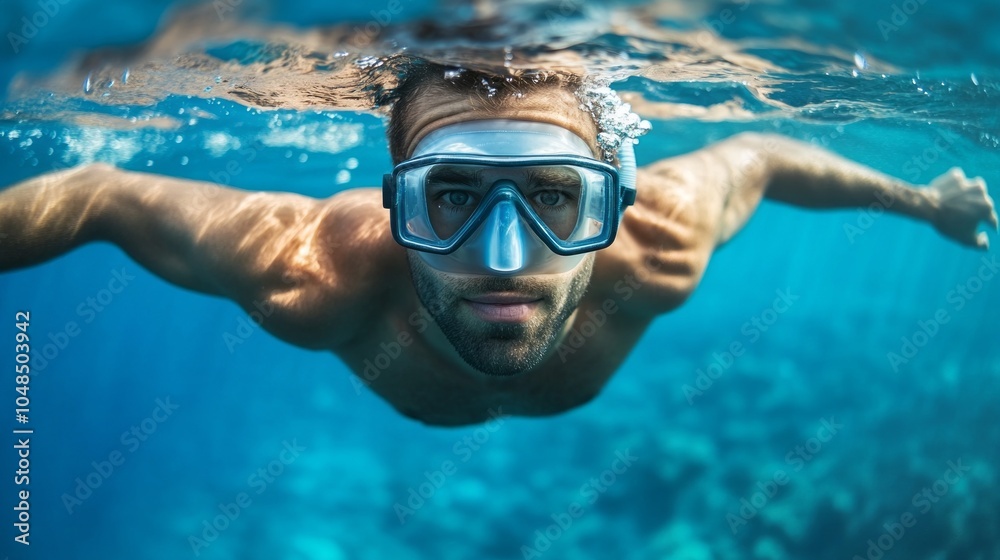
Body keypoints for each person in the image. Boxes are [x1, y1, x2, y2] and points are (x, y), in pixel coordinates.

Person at [2, 62, 996, 426]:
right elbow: (95, 189)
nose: (507, 256)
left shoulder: (660, 244)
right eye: (453, 201)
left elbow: (767, 153)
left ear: (619, 204)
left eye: (560, 200)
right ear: (395, 209)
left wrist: (922, 201)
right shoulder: (310, 270)